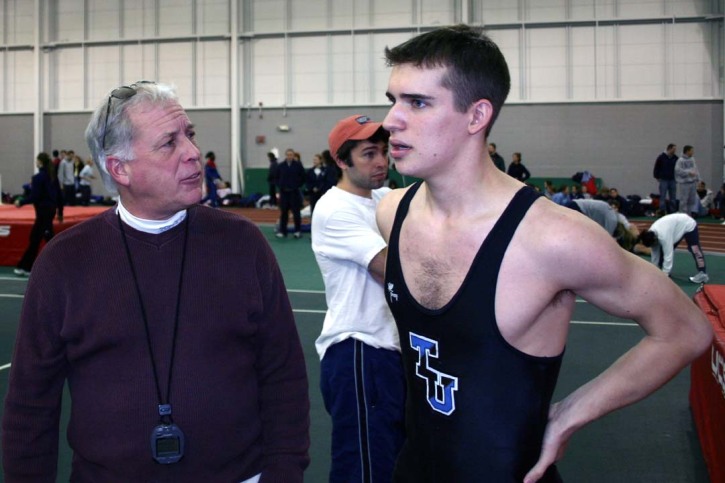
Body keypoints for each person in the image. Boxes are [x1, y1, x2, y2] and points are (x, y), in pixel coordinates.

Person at [376, 25, 712, 483]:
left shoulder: (552, 239)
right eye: (393, 100)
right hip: (413, 468)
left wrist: (571, 413)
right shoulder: (393, 213)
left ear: (476, 116)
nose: (391, 120)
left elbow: (686, 331)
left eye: (416, 103)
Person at [2, 81, 310, 482]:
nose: (193, 153)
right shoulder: (64, 261)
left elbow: (282, 373)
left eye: (190, 134)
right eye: (169, 143)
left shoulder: (242, 243)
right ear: (120, 168)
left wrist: (284, 473)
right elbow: (30, 405)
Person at [312, 114, 405, 483]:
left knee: (396, 462)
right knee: (365, 470)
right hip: (358, 352)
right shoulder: (335, 209)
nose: (381, 161)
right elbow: (393, 268)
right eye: (368, 154)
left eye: (383, 151)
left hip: (391, 351)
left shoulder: (382, 197)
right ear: (341, 161)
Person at [13, 152, 63, 276]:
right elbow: (60, 195)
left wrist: (21, 201)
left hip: (42, 212)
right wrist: (60, 212)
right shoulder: (52, 176)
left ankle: (25, 266)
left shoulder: (38, 178)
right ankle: (27, 266)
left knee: (36, 239)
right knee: (46, 237)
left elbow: (35, 196)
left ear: (40, 162)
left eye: (36, 160)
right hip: (50, 210)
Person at [638, 213, 709, 284]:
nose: (653, 246)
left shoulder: (664, 236)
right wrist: (654, 271)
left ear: (655, 239)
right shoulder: (651, 233)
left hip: (688, 224)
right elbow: (655, 253)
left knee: (695, 249)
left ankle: (702, 274)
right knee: (661, 252)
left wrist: (664, 275)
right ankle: (663, 271)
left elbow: (668, 255)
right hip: (675, 228)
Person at [276, 148, 306, 238]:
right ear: (286, 155)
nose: (289, 156)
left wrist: (297, 185)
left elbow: (303, 177)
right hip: (284, 193)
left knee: (296, 213)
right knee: (284, 212)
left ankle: (297, 231)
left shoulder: (298, 165)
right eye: (288, 155)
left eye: (291, 155)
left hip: (294, 193)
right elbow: (276, 177)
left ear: (293, 155)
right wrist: (280, 185)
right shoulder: (281, 166)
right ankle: (282, 231)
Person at [675, 145, 700, 216]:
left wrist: (698, 178)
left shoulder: (692, 159)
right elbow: (678, 171)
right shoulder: (680, 160)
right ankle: (682, 215)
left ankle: (689, 215)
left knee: (691, 200)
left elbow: (696, 169)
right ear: (687, 151)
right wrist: (688, 173)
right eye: (691, 150)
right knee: (684, 200)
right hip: (684, 183)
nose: (693, 152)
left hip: (692, 182)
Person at [653, 143, 678, 214]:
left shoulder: (675, 158)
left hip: (672, 179)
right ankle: (662, 211)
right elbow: (656, 167)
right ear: (669, 149)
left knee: (673, 197)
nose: (675, 151)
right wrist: (656, 176)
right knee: (662, 196)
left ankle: (672, 211)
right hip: (664, 179)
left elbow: (678, 169)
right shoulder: (661, 157)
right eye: (674, 149)